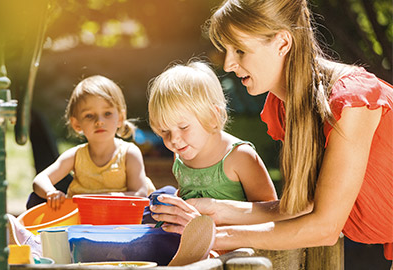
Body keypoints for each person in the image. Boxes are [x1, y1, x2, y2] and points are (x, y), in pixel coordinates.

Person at [149, 0, 393, 263]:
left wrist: (212, 236)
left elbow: (324, 227)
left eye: (240, 50)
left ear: (282, 43)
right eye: (226, 50)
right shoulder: (286, 107)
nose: (229, 63)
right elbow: (301, 208)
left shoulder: (352, 101)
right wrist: (212, 209)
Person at [147, 60, 277, 207]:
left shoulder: (239, 156)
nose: (174, 139)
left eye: (183, 127)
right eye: (165, 131)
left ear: (212, 117)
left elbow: (270, 210)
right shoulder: (181, 153)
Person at [32, 75, 155, 209]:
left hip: (122, 217)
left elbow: (139, 194)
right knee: (35, 199)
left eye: (107, 113)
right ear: (76, 123)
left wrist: (105, 198)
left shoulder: (129, 153)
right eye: (89, 116)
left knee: (163, 195)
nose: (99, 121)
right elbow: (40, 180)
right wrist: (51, 192)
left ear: (120, 118)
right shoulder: (75, 156)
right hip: (83, 220)